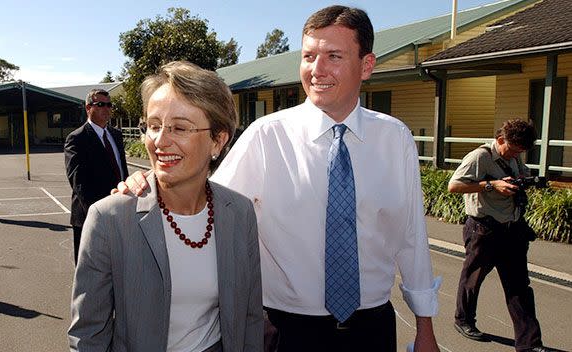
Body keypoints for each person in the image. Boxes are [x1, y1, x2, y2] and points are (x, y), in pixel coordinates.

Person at [119, 6, 441, 351]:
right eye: (308, 56)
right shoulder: (266, 136)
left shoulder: (395, 138)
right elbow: (206, 203)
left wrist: (425, 329)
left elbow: (410, 236)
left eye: (333, 56)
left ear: (366, 65)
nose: (316, 70)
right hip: (285, 331)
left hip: (371, 329)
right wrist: (152, 184)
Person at [68, 61, 263, 351]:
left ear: (218, 141)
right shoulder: (109, 219)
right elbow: (88, 336)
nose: (160, 141)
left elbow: (249, 318)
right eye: (154, 126)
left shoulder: (240, 213)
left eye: (179, 128)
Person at [448, 119, 553, 352]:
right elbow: (454, 186)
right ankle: (463, 320)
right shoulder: (480, 157)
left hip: (512, 230)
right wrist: (491, 185)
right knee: (472, 280)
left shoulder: (514, 155)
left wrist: (525, 181)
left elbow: (521, 172)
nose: (515, 155)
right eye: (513, 150)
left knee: (519, 287)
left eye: (521, 152)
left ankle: (529, 344)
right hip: (483, 229)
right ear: (500, 140)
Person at [64, 88, 129, 265]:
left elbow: (122, 172)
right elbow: (78, 181)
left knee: (114, 263)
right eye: (100, 104)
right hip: (90, 213)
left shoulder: (116, 135)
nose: (106, 108)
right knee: (87, 265)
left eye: (109, 105)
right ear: (88, 108)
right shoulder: (77, 138)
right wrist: (98, 212)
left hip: (119, 210)